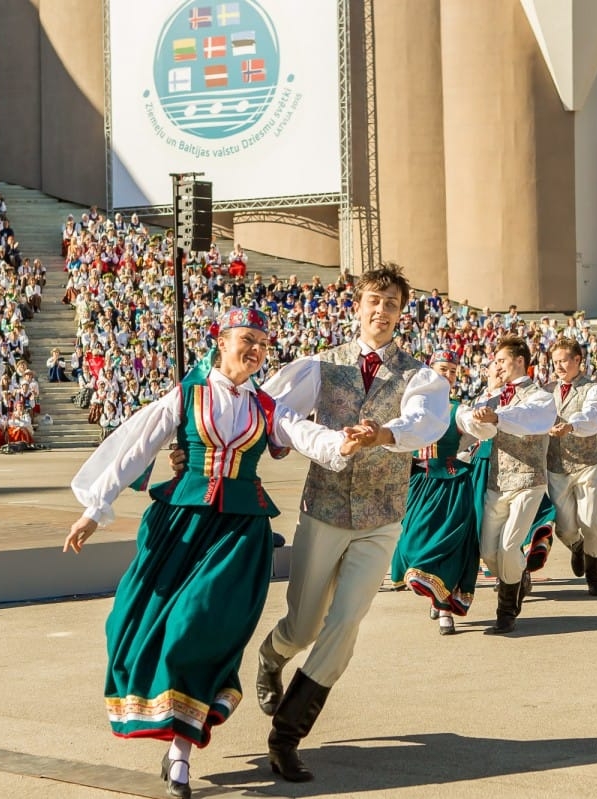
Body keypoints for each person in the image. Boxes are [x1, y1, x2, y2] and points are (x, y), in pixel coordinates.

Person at [63, 308, 366, 799]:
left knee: (198, 625)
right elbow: (134, 446)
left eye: (263, 344)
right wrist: (94, 510)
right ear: (220, 342)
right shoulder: (186, 396)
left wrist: (343, 443)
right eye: (246, 339)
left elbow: (304, 434)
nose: (255, 350)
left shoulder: (266, 406)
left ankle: (180, 752)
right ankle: (173, 740)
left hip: (237, 533)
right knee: (130, 621)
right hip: (180, 526)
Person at [249, 263, 449, 783]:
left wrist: (383, 434)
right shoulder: (319, 366)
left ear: (402, 314)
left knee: (346, 623)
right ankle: (272, 656)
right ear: (356, 306)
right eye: (373, 301)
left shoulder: (419, 375)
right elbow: (268, 411)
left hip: (381, 517)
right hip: (325, 510)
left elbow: (427, 420)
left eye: (391, 304)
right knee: (304, 624)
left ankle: (286, 736)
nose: (381, 311)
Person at [389, 350, 486, 635]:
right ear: (429, 372)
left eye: (453, 371)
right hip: (418, 483)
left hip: (452, 484)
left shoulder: (458, 409)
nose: (448, 375)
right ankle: (435, 591)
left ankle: (445, 609)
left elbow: (473, 428)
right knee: (411, 544)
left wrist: (484, 420)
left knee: (449, 546)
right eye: (443, 369)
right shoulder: (410, 406)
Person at [470, 335, 557, 635]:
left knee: (508, 547)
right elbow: (475, 425)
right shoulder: (493, 395)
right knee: (488, 551)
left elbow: (529, 418)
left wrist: (497, 414)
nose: (497, 366)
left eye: (502, 361)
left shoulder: (540, 397)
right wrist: (490, 396)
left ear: (520, 361)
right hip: (496, 481)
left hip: (527, 480)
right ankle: (517, 577)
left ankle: (506, 613)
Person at [544, 338, 597, 597]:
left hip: (586, 465)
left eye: (563, 361)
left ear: (577, 361)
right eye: (555, 361)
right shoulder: (546, 390)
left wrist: (571, 425)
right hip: (556, 466)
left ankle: (594, 577)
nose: (558, 366)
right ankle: (577, 547)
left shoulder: (593, 390)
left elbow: (593, 418)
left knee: (590, 521)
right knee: (564, 527)